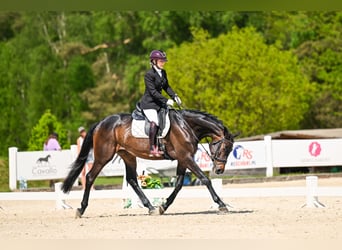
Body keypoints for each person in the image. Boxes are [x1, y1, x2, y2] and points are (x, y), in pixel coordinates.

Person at [140, 50, 182, 157]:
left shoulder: (163, 72)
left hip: (158, 103)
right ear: (154, 61)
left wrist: (175, 96)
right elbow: (153, 92)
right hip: (149, 104)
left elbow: (166, 87)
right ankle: (152, 148)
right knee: (155, 121)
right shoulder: (148, 75)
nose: (163, 63)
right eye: (161, 61)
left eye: (164, 61)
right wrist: (166, 100)